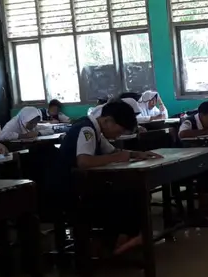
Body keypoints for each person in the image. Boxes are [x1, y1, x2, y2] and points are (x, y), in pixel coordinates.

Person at [52, 101, 152, 255]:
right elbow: (84, 161)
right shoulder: (87, 130)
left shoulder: (96, 130)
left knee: (134, 188)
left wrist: (136, 154)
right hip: (71, 192)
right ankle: (116, 243)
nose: (119, 135)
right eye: (120, 130)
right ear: (107, 120)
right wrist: (119, 157)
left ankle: (122, 239)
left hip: (81, 186)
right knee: (128, 193)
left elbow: (112, 151)